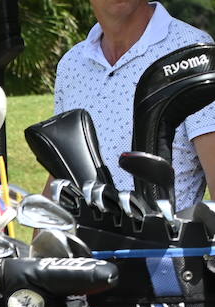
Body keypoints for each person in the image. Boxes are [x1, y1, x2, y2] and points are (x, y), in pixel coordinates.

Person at [54, 0, 215, 210]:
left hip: (168, 240)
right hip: (88, 240)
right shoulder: (71, 64)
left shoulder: (194, 52)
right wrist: (39, 242)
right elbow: (61, 171)